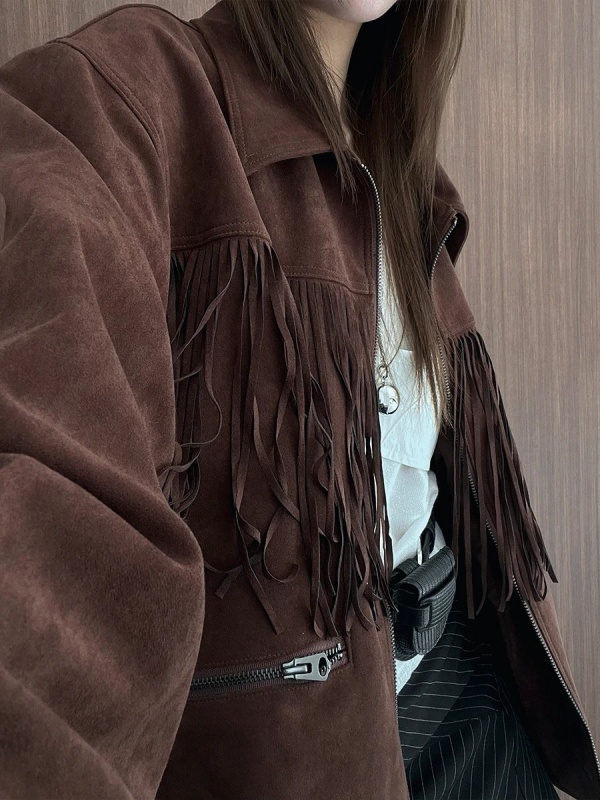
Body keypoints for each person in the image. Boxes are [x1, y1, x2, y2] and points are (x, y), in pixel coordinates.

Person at [0, 1, 597, 799]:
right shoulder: (121, 103)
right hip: (307, 753)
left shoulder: (401, 169)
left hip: (471, 700)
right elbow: (53, 529)